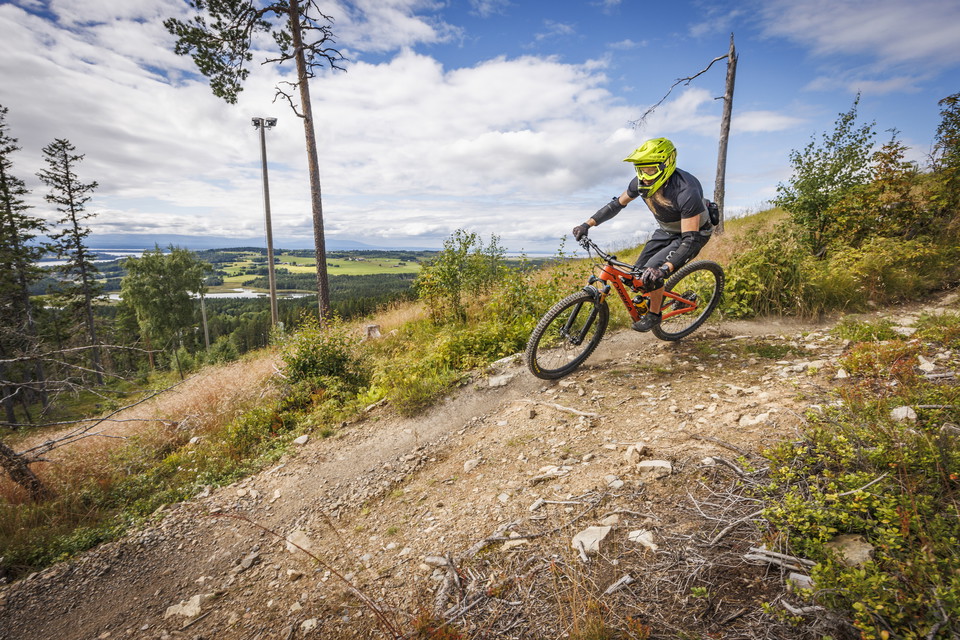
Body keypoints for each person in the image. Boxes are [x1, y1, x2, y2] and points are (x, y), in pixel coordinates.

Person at [572, 137, 714, 332]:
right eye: (641, 169)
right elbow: (616, 204)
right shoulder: (640, 182)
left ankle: (655, 315)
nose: (645, 176)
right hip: (666, 230)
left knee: (653, 272)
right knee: (635, 275)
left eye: (650, 170)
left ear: (667, 165)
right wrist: (587, 224)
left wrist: (663, 270)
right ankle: (657, 296)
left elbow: (690, 240)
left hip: (693, 233)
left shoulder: (686, 189)